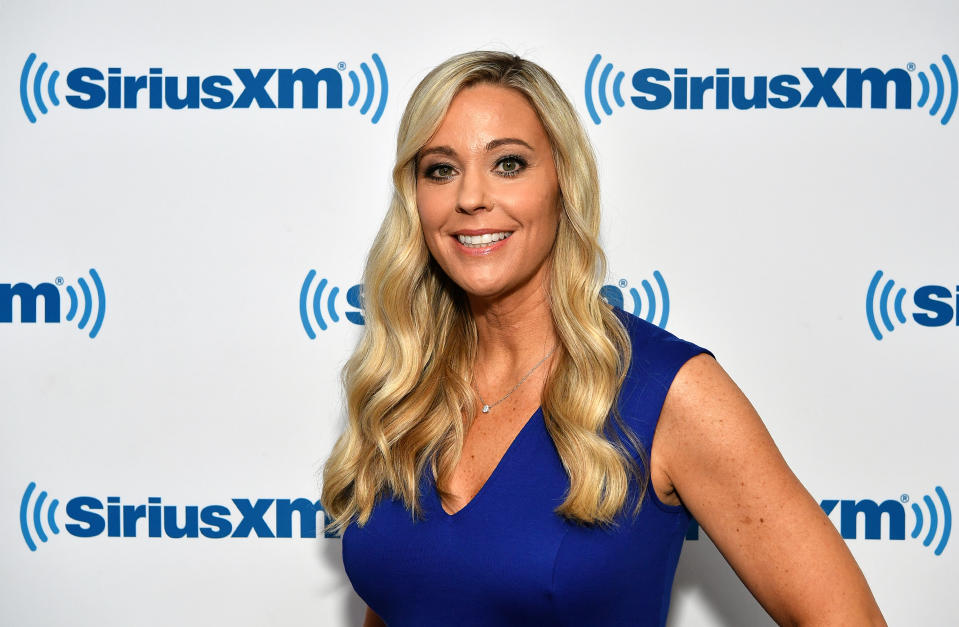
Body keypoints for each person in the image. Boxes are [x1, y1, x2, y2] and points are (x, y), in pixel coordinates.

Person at [321, 51, 886, 626]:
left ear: (563, 182)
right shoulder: (402, 385)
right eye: (440, 169)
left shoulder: (665, 391)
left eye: (509, 164)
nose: (471, 197)